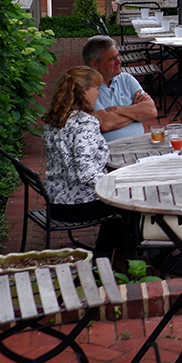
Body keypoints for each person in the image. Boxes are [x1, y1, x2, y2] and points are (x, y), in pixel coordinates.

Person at [41, 66, 129, 260]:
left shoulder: (54, 119)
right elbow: (88, 174)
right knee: (130, 203)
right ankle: (104, 257)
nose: (99, 92)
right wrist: (119, 184)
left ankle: (118, 254)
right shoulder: (84, 123)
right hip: (78, 205)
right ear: (83, 92)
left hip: (56, 202)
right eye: (96, 88)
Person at [83, 35, 158, 142]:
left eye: (118, 56)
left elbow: (151, 111)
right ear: (95, 64)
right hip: (112, 151)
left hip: (141, 145)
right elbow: (105, 124)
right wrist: (135, 111)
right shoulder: (88, 89)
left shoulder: (126, 79)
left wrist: (116, 109)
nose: (119, 61)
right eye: (112, 59)